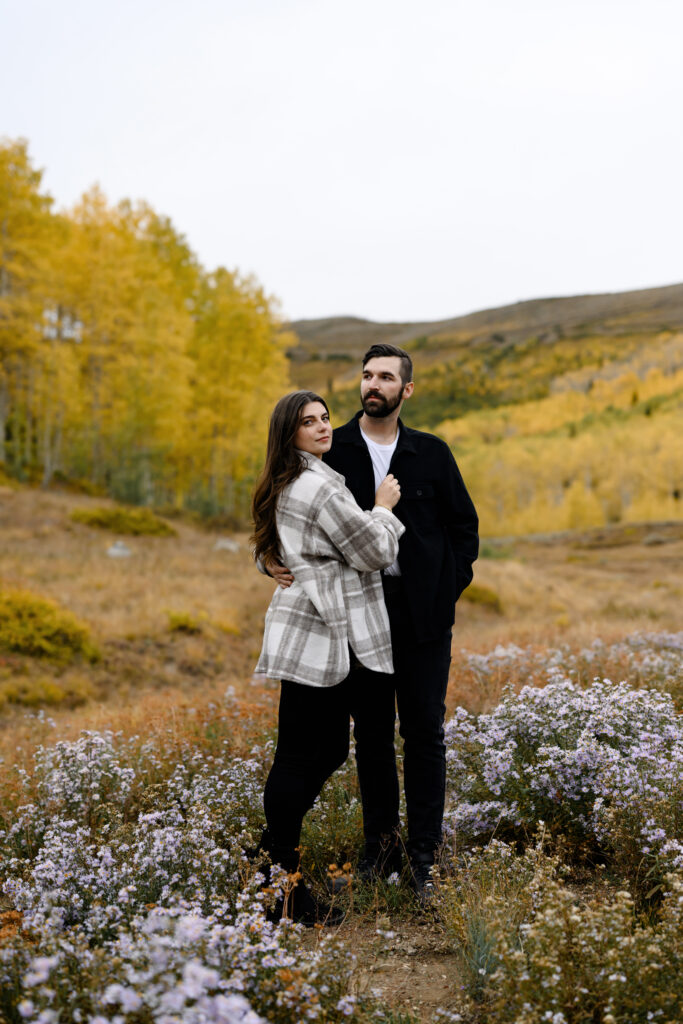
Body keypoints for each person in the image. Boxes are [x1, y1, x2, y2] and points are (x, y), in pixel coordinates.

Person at [267, 345, 479, 901]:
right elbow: (285, 515)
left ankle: (424, 857)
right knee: (373, 737)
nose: (373, 384)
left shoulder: (430, 453)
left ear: (406, 390)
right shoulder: (331, 454)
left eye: (386, 377)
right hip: (357, 622)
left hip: (424, 621)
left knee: (425, 735)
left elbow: (464, 527)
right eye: (367, 376)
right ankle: (379, 850)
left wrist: (445, 588)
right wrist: (265, 559)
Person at [252, 389, 405, 924]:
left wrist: (269, 560)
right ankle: (279, 886)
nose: (322, 428)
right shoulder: (317, 486)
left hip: (313, 633)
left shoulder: (288, 478)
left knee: (320, 752)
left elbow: (275, 546)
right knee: (303, 756)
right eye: (308, 422)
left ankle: (271, 868)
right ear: (288, 433)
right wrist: (383, 510)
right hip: (326, 634)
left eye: (323, 418)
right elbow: (374, 551)